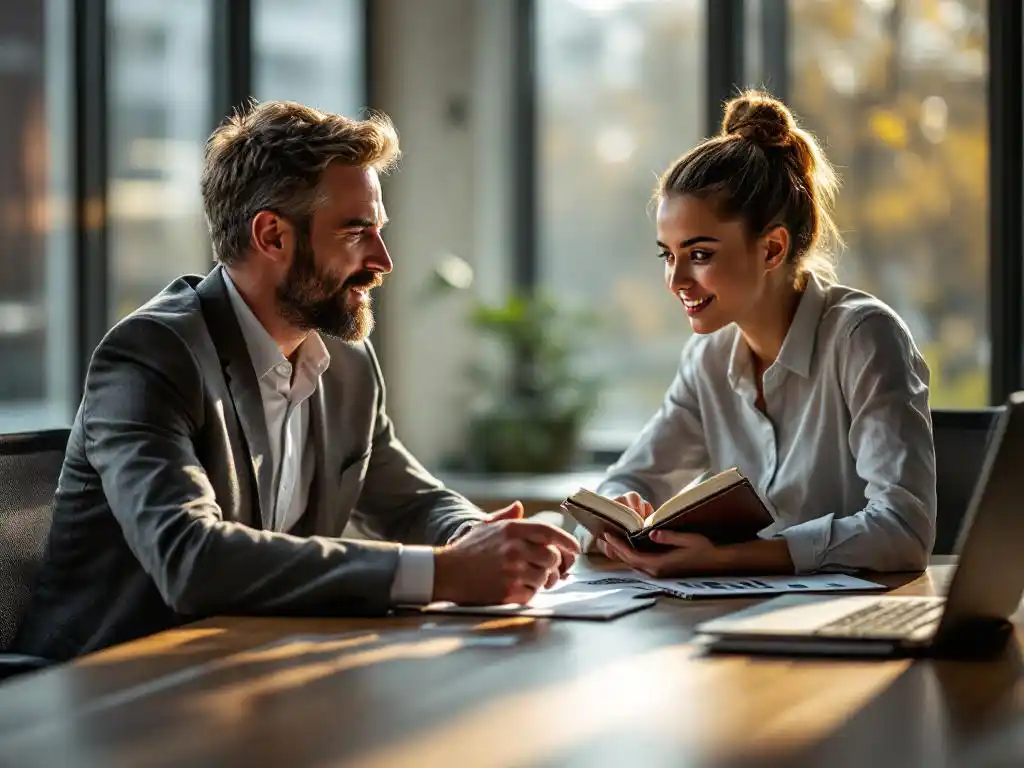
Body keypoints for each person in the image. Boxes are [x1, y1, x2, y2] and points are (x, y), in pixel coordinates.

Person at [13, 100, 578, 661]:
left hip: (247, 669)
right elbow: (190, 558)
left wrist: (478, 539)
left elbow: (407, 500)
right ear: (273, 236)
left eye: (378, 230)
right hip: (106, 693)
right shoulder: (151, 356)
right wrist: (443, 575)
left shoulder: (345, 363)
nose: (383, 259)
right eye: (357, 231)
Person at [586, 90, 936, 578]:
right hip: (735, 620)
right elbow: (631, 478)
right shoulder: (707, 357)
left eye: (700, 254)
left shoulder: (864, 338)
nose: (676, 279)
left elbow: (902, 532)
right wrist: (618, 509)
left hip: (850, 631)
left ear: (772, 249)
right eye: (667, 254)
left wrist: (726, 559)